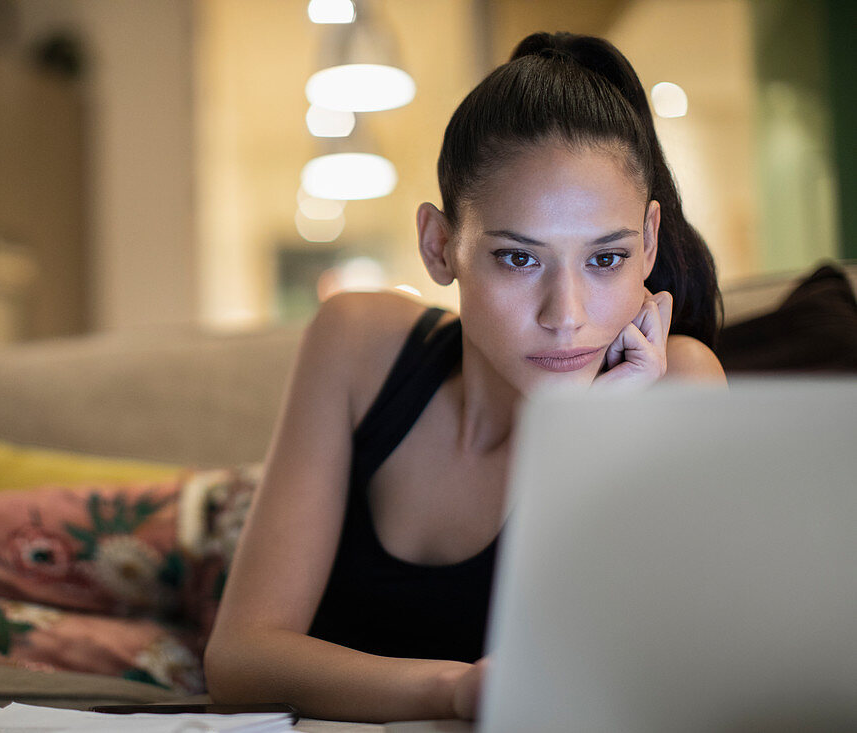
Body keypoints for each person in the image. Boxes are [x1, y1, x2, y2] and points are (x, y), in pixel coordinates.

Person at [203, 31, 727, 723]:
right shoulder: (356, 344)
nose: (566, 316)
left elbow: (645, 691)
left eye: (605, 259)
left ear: (650, 241)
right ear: (438, 244)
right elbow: (240, 659)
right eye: (519, 259)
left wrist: (592, 441)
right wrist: (454, 691)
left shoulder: (677, 390)